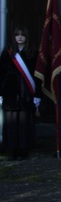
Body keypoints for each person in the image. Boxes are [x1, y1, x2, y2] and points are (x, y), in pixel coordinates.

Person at [0, 27, 38, 159]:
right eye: (17, 35)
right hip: (10, 91)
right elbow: (1, 72)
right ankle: (12, 149)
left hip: (25, 92)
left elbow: (35, 73)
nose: (20, 37)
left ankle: (23, 149)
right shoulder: (7, 52)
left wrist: (37, 95)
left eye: (22, 35)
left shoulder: (32, 52)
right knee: (11, 122)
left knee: (23, 122)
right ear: (14, 37)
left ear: (26, 37)